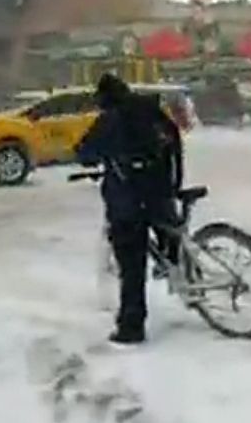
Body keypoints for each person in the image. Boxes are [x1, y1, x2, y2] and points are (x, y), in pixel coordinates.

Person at [76, 73, 184, 344]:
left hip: (130, 201)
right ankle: (176, 265)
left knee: (132, 263)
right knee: (170, 231)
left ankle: (131, 327)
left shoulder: (111, 119)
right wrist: (174, 181)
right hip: (160, 190)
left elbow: (84, 151)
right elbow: (174, 140)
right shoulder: (150, 107)